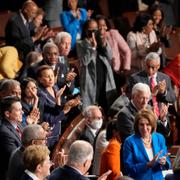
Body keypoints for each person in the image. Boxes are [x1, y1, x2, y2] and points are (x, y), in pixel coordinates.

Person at [77, 19, 117, 112]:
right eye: (90, 30)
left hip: (105, 76)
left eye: (95, 30)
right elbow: (84, 61)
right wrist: (93, 48)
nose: (92, 33)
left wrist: (103, 43)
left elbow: (110, 56)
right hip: (91, 79)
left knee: (106, 104)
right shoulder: (81, 43)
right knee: (93, 106)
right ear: (85, 30)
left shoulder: (102, 40)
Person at [36, 65, 80, 149]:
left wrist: (69, 104)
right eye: (47, 76)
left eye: (52, 76)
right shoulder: (40, 95)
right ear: (40, 80)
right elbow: (50, 119)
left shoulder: (55, 87)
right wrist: (65, 110)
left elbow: (59, 106)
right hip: (48, 134)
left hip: (58, 131)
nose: (51, 78)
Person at [123, 109, 171, 180]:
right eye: (141, 125)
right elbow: (128, 168)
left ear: (152, 125)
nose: (144, 128)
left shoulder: (159, 138)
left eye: (148, 124)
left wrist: (164, 162)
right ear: (137, 125)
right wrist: (147, 165)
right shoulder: (129, 142)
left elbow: (168, 163)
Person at [0, 96, 23, 179]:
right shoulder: (4, 133)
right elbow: (16, 159)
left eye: (21, 109)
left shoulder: (19, 124)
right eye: (18, 110)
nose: (22, 112)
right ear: (7, 114)